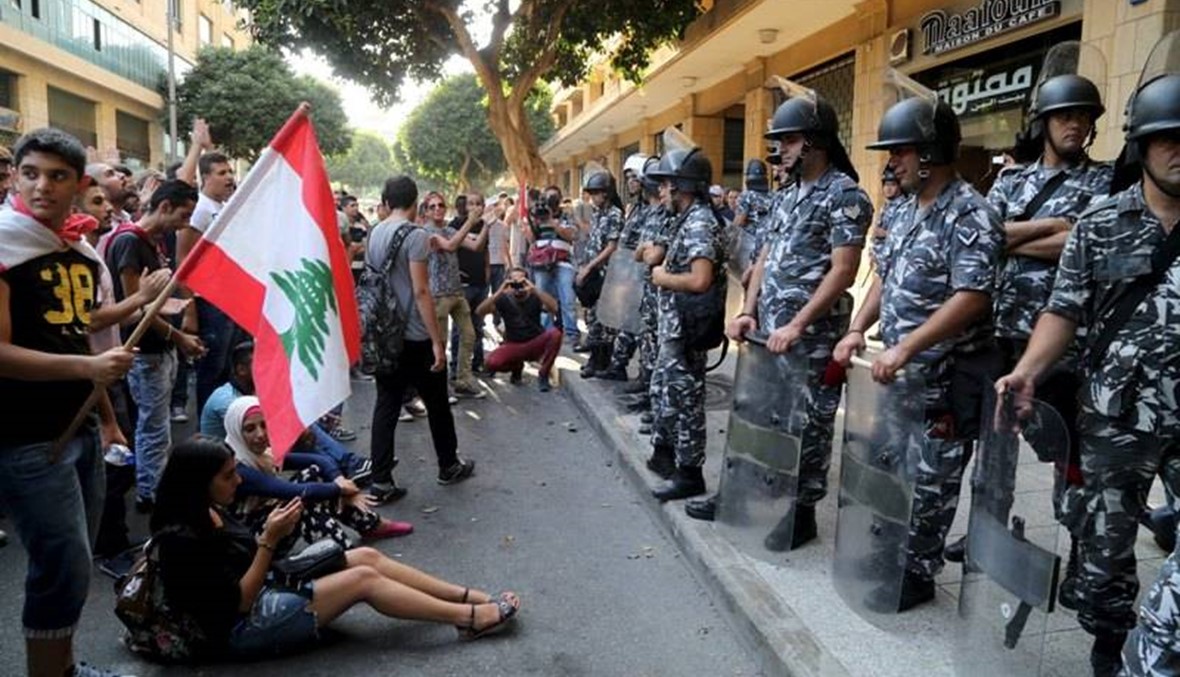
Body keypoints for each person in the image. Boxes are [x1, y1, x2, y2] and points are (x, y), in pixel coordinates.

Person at [1000, 56, 1180, 675]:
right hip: (1116, 415)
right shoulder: (1101, 224)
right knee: (1104, 550)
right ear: (1144, 143)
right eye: (1168, 139)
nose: (1179, 152)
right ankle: (1108, 645)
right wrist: (1026, 371)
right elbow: (1062, 311)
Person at [833, 86, 1003, 612]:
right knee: (890, 466)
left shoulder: (971, 214)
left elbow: (972, 297)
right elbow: (884, 277)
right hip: (896, 373)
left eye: (900, 151)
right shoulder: (904, 212)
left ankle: (917, 571)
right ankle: (888, 552)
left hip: (944, 376)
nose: (892, 162)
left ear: (929, 154)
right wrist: (858, 326)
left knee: (932, 479)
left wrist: (906, 348)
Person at [952, 64, 1112, 611]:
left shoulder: (1107, 181)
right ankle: (983, 534)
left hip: (1062, 344)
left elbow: (1081, 246)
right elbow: (979, 234)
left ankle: (1084, 563)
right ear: (1043, 122)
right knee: (992, 452)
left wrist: (1012, 239)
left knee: (1071, 458)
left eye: (1084, 117)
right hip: (1000, 336)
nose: (1075, 125)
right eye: (1065, 115)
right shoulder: (1010, 180)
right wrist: (1050, 229)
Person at [151, 436, 520, 660]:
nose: (238, 480)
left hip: (267, 584)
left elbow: (250, 559)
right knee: (362, 580)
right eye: (228, 476)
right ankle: (468, 620)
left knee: (364, 556)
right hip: (235, 628)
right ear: (199, 483)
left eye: (236, 471)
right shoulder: (179, 539)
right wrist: (269, 540)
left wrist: (277, 534)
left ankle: (469, 597)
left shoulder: (211, 508)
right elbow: (240, 603)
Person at [691, 90, 872, 545]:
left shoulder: (846, 195)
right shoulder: (786, 195)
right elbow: (764, 257)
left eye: (788, 141)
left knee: (807, 423)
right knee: (758, 415)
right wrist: (747, 310)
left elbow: (844, 269)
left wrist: (798, 324)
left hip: (810, 337)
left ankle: (800, 513)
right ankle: (742, 494)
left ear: (815, 142)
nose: (780, 150)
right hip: (769, 330)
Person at [0, 127, 136, 677]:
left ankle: (63, 666)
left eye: (57, 177)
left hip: (79, 427)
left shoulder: (80, 253)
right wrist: (87, 369)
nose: (42, 187)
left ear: (78, 185)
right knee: (63, 565)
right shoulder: (6, 245)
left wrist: (106, 419)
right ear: (14, 175)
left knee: (74, 568)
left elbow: (76, 328)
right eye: (30, 173)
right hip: (28, 437)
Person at [368, 177, 476, 503]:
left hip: (384, 332)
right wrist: (436, 340)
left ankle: (381, 479)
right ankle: (448, 465)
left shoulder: (376, 233)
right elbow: (421, 290)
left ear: (387, 202)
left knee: (386, 404)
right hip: (414, 334)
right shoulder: (415, 236)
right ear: (415, 203)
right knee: (438, 403)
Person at [105, 180, 205, 513]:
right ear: (164, 207)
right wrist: (178, 336)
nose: (185, 223)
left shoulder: (151, 240)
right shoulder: (130, 243)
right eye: (183, 214)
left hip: (159, 349)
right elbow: (135, 310)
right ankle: (151, 493)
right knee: (154, 427)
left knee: (156, 425)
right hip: (145, 352)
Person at [645, 134, 727, 502]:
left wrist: (663, 277)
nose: (661, 191)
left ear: (683, 185)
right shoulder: (685, 218)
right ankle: (671, 460)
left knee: (687, 402)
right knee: (668, 396)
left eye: (665, 183)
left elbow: (700, 278)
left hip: (688, 329)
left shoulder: (698, 222)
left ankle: (690, 474)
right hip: (674, 328)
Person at [224, 397, 411, 547]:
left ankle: (366, 530)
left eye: (264, 425)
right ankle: (345, 553)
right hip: (258, 543)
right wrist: (341, 490)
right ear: (236, 431)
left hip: (271, 519)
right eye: (250, 429)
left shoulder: (262, 454)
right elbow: (295, 492)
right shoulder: (239, 468)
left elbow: (317, 461)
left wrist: (339, 481)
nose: (260, 434)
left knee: (312, 478)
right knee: (302, 502)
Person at [199, 340, 370, 481]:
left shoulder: (253, 389)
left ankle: (346, 465)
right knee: (297, 432)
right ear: (241, 370)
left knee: (304, 426)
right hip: (230, 463)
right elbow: (265, 429)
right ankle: (343, 467)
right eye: (258, 364)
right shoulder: (227, 399)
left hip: (251, 450)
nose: (265, 368)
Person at [177, 151, 238, 415]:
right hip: (207, 303)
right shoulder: (200, 210)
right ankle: (207, 429)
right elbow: (183, 259)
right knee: (211, 371)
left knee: (227, 367)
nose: (229, 178)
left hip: (227, 299)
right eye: (221, 173)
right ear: (205, 177)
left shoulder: (222, 208)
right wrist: (190, 309)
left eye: (230, 172)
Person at [422, 191, 485, 399]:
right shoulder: (427, 233)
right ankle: (440, 387)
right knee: (440, 342)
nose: (438, 209)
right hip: (438, 295)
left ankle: (463, 380)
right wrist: (470, 221)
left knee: (469, 335)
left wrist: (487, 225)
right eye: (433, 206)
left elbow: (476, 246)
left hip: (457, 292)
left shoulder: (449, 229)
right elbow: (450, 246)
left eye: (441, 205)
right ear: (426, 211)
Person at [603, 155, 654, 383]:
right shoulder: (635, 208)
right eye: (628, 178)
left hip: (643, 276)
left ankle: (644, 377)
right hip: (629, 274)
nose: (631, 182)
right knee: (626, 323)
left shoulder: (653, 210)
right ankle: (618, 365)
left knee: (642, 329)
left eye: (635, 177)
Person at [476, 268, 563, 391]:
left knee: (556, 334)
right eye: (513, 281)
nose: (518, 286)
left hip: (535, 342)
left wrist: (534, 289)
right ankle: (517, 366)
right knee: (492, 362)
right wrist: (500, 291)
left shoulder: (534, 296)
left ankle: (543, 373)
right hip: (514, 344)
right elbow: (480, 311)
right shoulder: (504, 298)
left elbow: (555, 308)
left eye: (521, 281)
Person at [577, 169, 624, 379]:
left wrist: (590, 266)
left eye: (596, 193)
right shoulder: (597, 213)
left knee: (601, 319)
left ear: (606, 192)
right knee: (592, 317)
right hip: (593, 272)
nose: (593, 197)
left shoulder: (615, 214)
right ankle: (596, 360)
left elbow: (612, 246)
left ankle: (599, 362)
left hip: (606, 275)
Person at [451, 192, 492, 375]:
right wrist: (486, 227)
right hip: (463, 284)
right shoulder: (455, 226)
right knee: (461, 328)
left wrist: (487, 273)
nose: (475, 207)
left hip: (480, 283)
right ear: (464, 207)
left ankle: (477, 362)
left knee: (478, 325)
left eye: (478, 203)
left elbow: (484, 251)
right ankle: (456, 366)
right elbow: (475, 245)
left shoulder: (484, 225)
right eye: (471, 204)